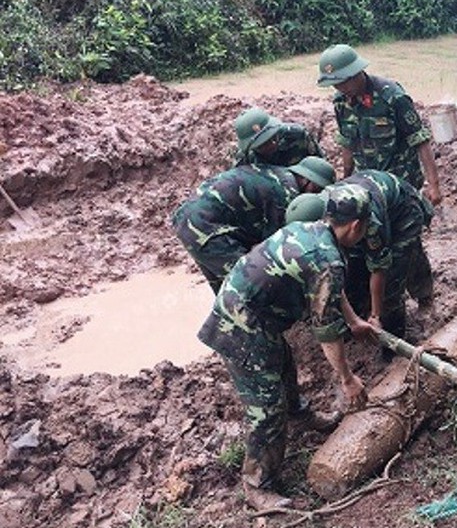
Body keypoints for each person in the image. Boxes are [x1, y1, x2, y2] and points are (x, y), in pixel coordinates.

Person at [197, 184, 377, 509]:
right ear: (356, 225)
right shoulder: (327, 260)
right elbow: (326, 332)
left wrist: (352, 321)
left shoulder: (309, 229)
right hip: (241, 326)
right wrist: (348, 380)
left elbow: (329, 292)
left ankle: (299, 414)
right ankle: (258, 485)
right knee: (266, 408)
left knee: (283, 362)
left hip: (250, 312)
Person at [317, 43, 439, 308]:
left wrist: (433, 184)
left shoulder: (392, 96)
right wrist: (344, 177)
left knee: (407, 243)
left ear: (356, 74)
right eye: (335, 85)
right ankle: (372, 298)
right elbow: (347, 143)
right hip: (365, 187)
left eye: (342, 83)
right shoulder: (341, 103)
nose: (340, 90)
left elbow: (421, 141)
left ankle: (422, 292)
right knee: (366, 243)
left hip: (400, 183)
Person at [171, 156, 336, 293]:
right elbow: (277, 246)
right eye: (317, 192)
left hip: (188, 219)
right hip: (205, 228)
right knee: (248, 281)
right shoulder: (287, 193)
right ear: (312, 184)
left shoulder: (275, 172)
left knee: (224, 284)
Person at [325, 170, 431, 347]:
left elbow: (379, 269)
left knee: (393, 278)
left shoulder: (372, 225)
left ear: (357, 226)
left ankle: (394, 338)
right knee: (354, 273)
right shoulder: (325, 216)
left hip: (403, 212)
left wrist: (376, 314)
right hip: (371, 198)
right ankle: (359, 319)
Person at [233, 106, 326, 167]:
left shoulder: (297, 135)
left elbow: (321, 167)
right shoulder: (244, 157)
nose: (272, 144)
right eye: (262, 145)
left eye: (273, 137)